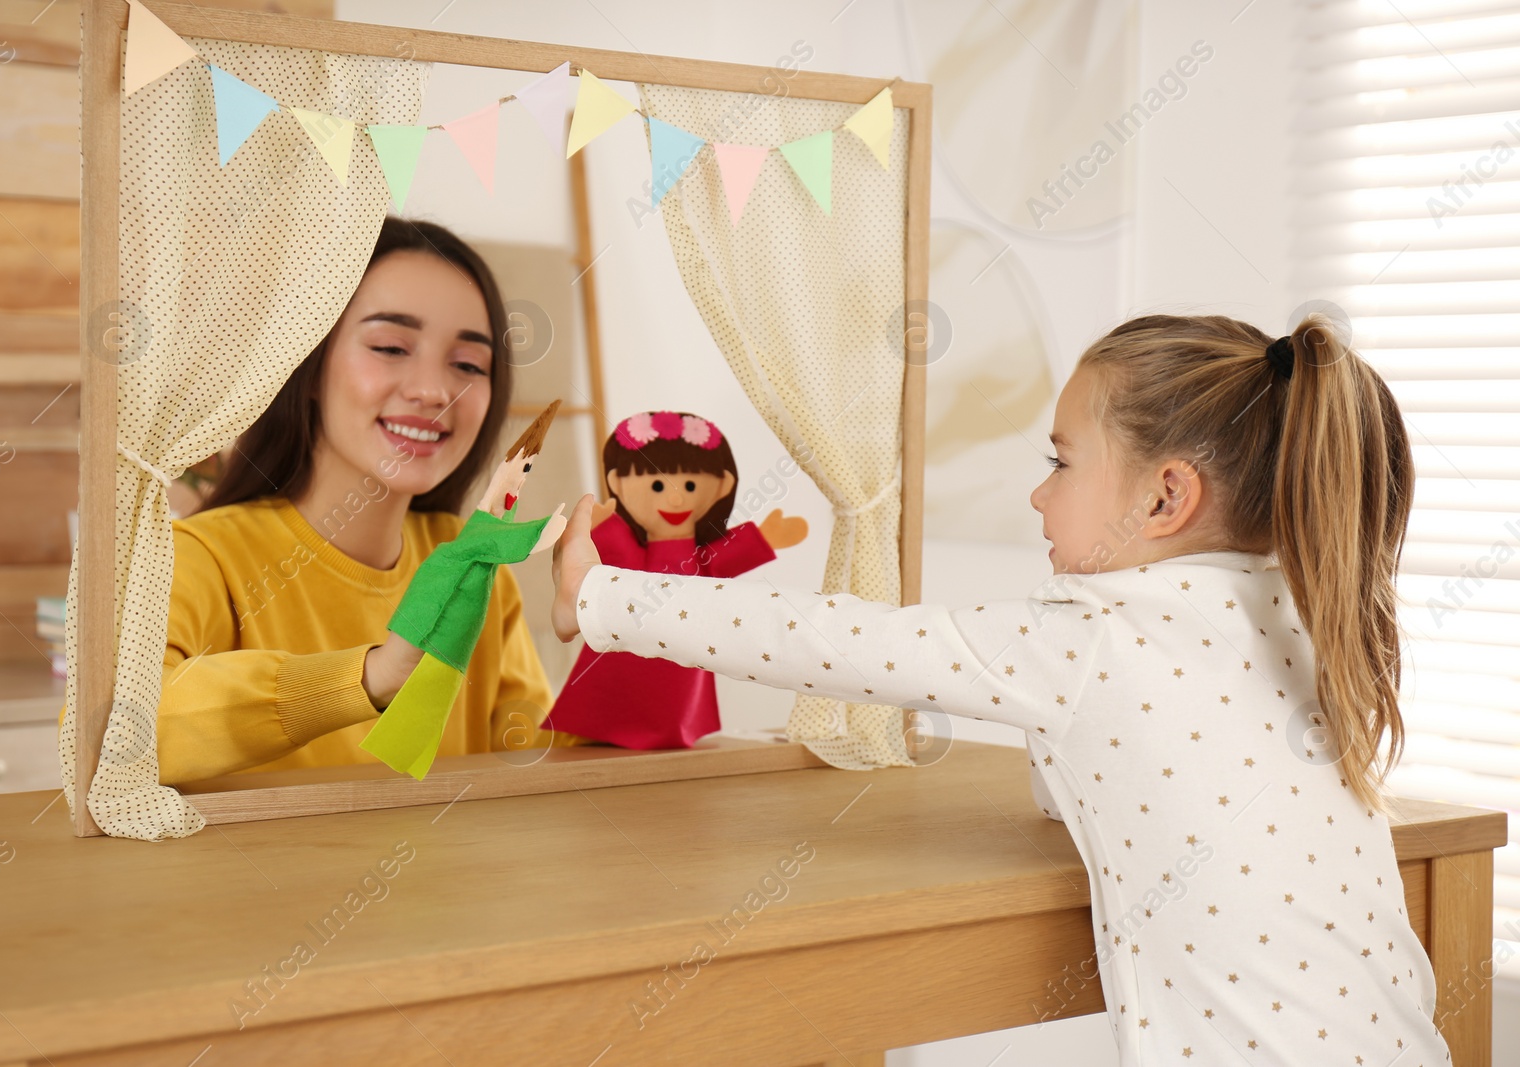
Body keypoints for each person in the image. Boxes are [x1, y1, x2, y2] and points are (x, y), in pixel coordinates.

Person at [550, 313, 1450, 1065]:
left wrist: (598, 593)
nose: (1036, 496)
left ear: (1165, 497)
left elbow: (829, 640)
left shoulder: (1092, 640)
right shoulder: (1305, 614)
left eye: (1061, 463)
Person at [148, 216, 576, 785]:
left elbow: (533, 756)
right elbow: (123, 734)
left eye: (468, 364)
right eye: (391, 346)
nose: (434, 391)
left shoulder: (473, 563)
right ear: (310, 363)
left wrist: (618, 618)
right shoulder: (197, 557)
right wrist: (370, 677)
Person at [542, 410, 807, 749]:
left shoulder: (695, 560)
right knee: (614, 692)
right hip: (624, 644)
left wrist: (763, 537)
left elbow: (711, 563)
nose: (676, 498)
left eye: (691, 485)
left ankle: (673, 730)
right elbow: (626, 564)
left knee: (674, 692)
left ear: (721, 487)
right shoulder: (636, 554)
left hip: (683, 647)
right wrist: (602, 527)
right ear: (618, 483)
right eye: (656, 485)